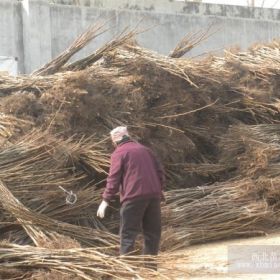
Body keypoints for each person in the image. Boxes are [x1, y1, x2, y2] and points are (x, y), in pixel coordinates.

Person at [97, 126, 165, 258]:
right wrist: (158, 189)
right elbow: (160, 172)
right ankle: (150, 270)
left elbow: (113, 178)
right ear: (127, 136)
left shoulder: (119, 153)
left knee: (128, 234)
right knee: (152, 233)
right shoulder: (146, 150)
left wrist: (105, 200)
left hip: (133, 198)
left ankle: (128, 271)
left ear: (115, 140)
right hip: (153, 197)